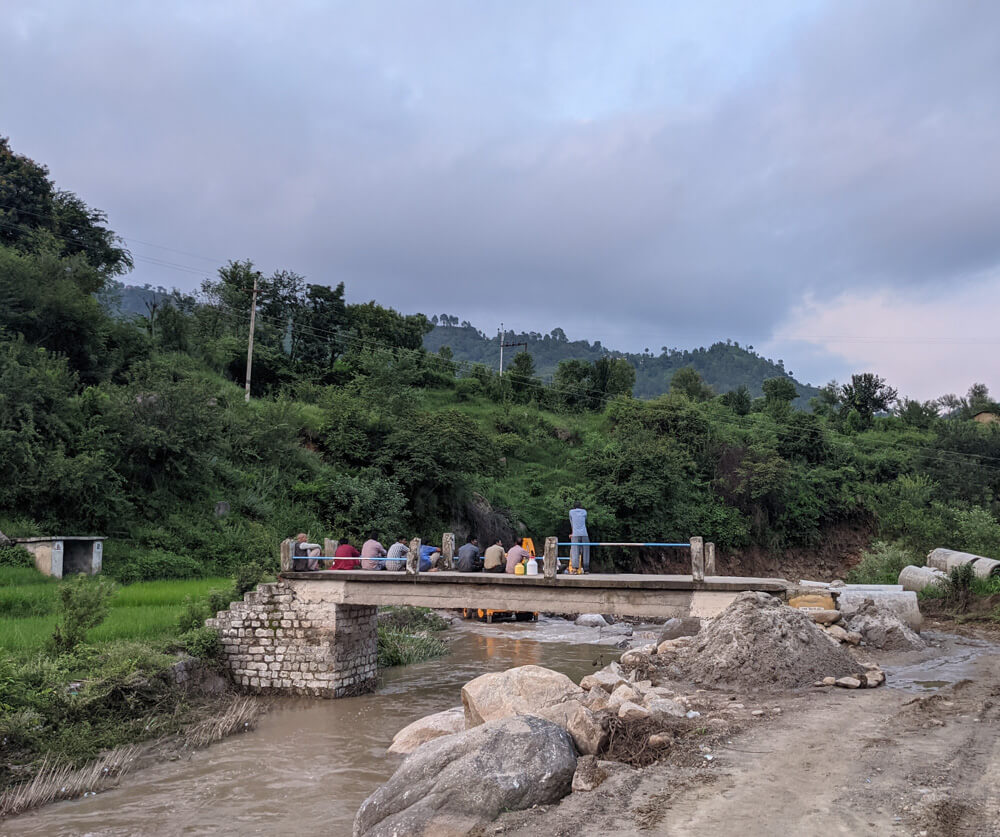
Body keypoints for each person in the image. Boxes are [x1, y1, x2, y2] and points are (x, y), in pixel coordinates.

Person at [569, 502, 590, 574]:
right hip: (584, 534)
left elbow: (572, 523)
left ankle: (575, 569)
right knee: (586, 551)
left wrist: (572, 533)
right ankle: (586, 569)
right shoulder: (584, 512)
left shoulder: (571, 512)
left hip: (575, 534)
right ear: (581, 506)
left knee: (575, 551)